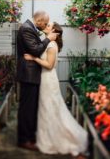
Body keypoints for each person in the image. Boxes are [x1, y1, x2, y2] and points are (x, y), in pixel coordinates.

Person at [24, 22, 89, 159]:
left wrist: (34, 58)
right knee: (46, 108)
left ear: (53, 31)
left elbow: (49, 65)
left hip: (48, 79)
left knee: (51, 108)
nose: (46, 25)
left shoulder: (52, 45)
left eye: (49, 25)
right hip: (44, 79)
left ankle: (65, 139)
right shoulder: (47, 43)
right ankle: (47, 137)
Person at [16, 11, 58, 151]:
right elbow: (35, 50)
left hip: (31, 73)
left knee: (30, 107)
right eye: (45, 23)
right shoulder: (27, 28)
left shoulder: (30, 28)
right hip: (29, 74)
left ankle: (30, 136)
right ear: (39, 20)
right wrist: (48, 38)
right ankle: (24, 139)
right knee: (27, 108)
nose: (45, 26)